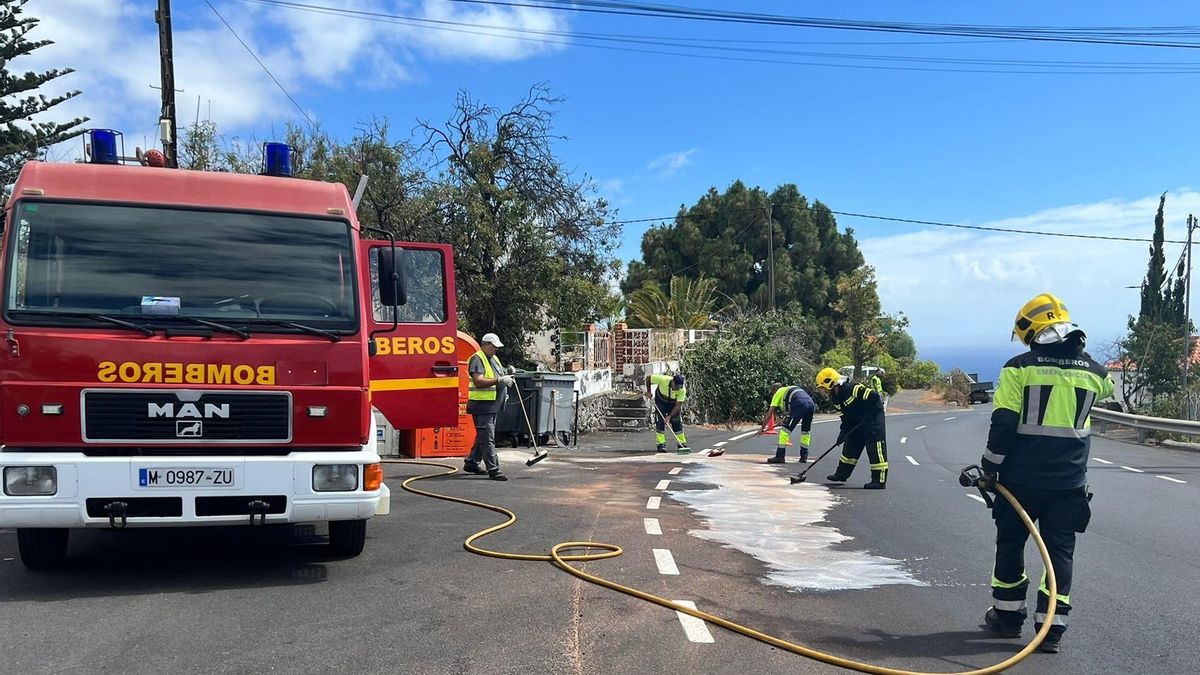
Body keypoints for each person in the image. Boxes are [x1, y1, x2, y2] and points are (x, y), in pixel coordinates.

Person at [979, 293, 1114, 654]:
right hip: (1069, 483)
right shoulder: (1094, 373)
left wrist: (989, 466)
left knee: (1011, 545)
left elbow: (1004, 422)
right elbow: (1107, 386)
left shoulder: (1018, 368)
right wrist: (1077, 354)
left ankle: (1008, 618)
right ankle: (1052, 629)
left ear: (1030, 330)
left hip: (1019, 481)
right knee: (1060, 554)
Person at [814, 367, 888, 490]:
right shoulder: (836, 398)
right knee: (851, 444)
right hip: (856, 422)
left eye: (823, 388)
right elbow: (845, 417)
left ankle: (879, 481)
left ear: (830, 383)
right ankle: (841, 474)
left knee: (875, 448)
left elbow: (874, 396)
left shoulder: (851, 388)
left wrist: (868, 415)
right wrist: (842, 434)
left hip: (872, 420)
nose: (823, 391)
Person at [465, 333, 516, 481]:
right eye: (493, 346)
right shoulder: (477, 358)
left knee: (483, 436)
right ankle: (494, 470)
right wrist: (500, 380)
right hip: (482, 406)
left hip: (493, 405)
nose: (496, 349)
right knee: (487, 438)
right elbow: (478, 381)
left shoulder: (494, 358)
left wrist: (507, 374)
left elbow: (498, 375)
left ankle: (471, 463)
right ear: (485, 344)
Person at [759, 382, 815, 463]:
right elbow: (791, 407)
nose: (772, 395)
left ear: (774, 390)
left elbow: (770, 413)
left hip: (799, 405)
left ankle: (780, 456)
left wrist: (762, 428)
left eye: (772, 393)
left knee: (784, 431)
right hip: (811, 405)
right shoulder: (788, 390)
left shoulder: (778, 393)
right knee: (805, 432)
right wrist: (784, 419)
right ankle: (804, 456)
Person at [646, 372, 689, 453]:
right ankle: (661, 444)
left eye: (679, 387)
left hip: (673, 404)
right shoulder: (663, 380)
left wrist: (669, 416)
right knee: (660, 421)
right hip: (660, 400)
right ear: (673, 382)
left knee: (676, 421)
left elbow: (678, 406)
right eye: (676, 386)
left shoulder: (682, 390)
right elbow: (648, 378)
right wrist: (649, 391)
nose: (677, 389)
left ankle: (681, 443)